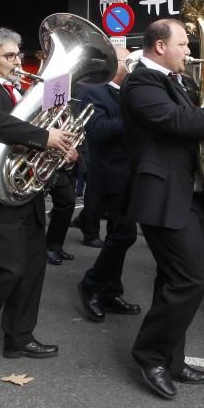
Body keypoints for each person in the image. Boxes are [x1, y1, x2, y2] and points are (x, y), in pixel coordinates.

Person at [122, 18, 204, 399]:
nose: (189, 51)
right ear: (160, 46)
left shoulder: (175, 81)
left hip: (186, 196)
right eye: (182, 44)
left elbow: (194, 120)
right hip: (163, 196)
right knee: (192, 278)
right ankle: (149, 354)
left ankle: (172, 358)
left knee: (172, 279)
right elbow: (175, 120)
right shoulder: (141, 81)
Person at [0, 28, 74, 365]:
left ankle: (19, 338)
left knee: (33, 269)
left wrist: (61, 144)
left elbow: (41, 133)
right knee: (8, 269)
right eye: (9, 56)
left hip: (27, 193)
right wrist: (43, 136)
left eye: (18, 54)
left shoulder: (25, 91)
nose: (17, 61)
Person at [77, 46, 142, 323]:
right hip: (111, 175)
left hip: (132, 174)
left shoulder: (131, 91)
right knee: (123, 234)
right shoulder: (94, 92)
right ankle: (91, 284)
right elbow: (98, 130)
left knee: (121, 233)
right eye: (127, 61)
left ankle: (110, 290)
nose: (132, 65)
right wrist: (132, 116)